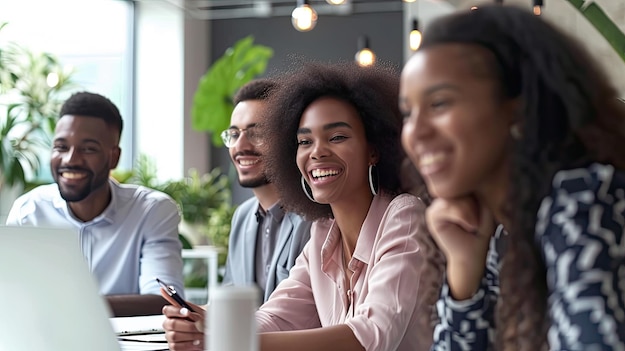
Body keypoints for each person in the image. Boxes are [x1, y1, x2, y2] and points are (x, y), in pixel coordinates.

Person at [399, 4, 625, 350]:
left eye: (440, 104)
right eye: (407, 112)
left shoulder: (587, 201)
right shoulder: (501, 232)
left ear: (518, 107)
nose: (415, 132)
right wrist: (464, 272)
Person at [162, 62, 429, 351]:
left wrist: (233, 341)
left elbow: (369, 337)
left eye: (337, 137)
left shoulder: (404, 216)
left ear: (374, 150)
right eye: (304, 141)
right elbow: (276, 317)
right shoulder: (323, 233)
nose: (317, 151)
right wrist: (205, 322)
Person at [6, 91, 184, 310]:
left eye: (88, 149)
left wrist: (72, 307)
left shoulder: (151, 210)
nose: (70, 159)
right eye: (61, 147)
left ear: (114, 157)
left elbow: (164, 300)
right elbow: (12, 298)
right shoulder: (29, 212)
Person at [220, 78, 311, 302]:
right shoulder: (241, 218)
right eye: (234, 135)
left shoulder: (314, 218)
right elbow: (231, 298)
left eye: (256, 133)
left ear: (287, 140)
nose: (240, 147)